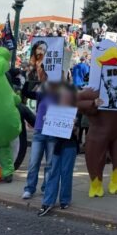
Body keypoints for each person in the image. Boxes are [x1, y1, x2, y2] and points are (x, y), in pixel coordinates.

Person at [38, 84, 80, 216]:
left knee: (66, 173)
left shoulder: (75, 111)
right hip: (58, 145)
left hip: (70, 145)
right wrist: (47, 121)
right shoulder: (55, 109)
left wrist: (74, 126)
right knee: (53, 172)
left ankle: (65, 200)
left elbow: (78, 133)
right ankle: (48, 201)